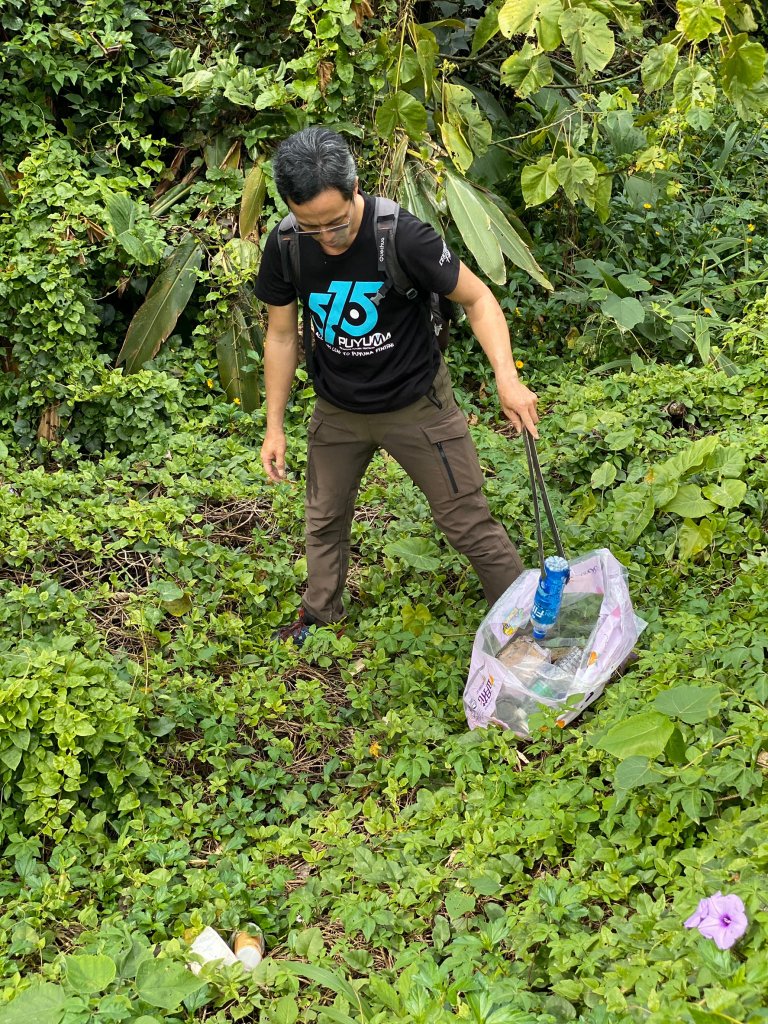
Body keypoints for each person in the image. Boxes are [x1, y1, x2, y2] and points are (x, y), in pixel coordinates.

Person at [254, 127, 539, 643]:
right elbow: (280, 335)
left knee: (467, 522)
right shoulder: (286, 243)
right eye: (310, 225)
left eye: (336, 223)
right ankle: (320, 617)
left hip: (417, 404)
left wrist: (507, 379)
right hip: (337, 408)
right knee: (323, 519)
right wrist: (274, 426)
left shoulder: (402, 235)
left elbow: (477, 300)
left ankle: (528, 627)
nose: (327, 237)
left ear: (355, 186)